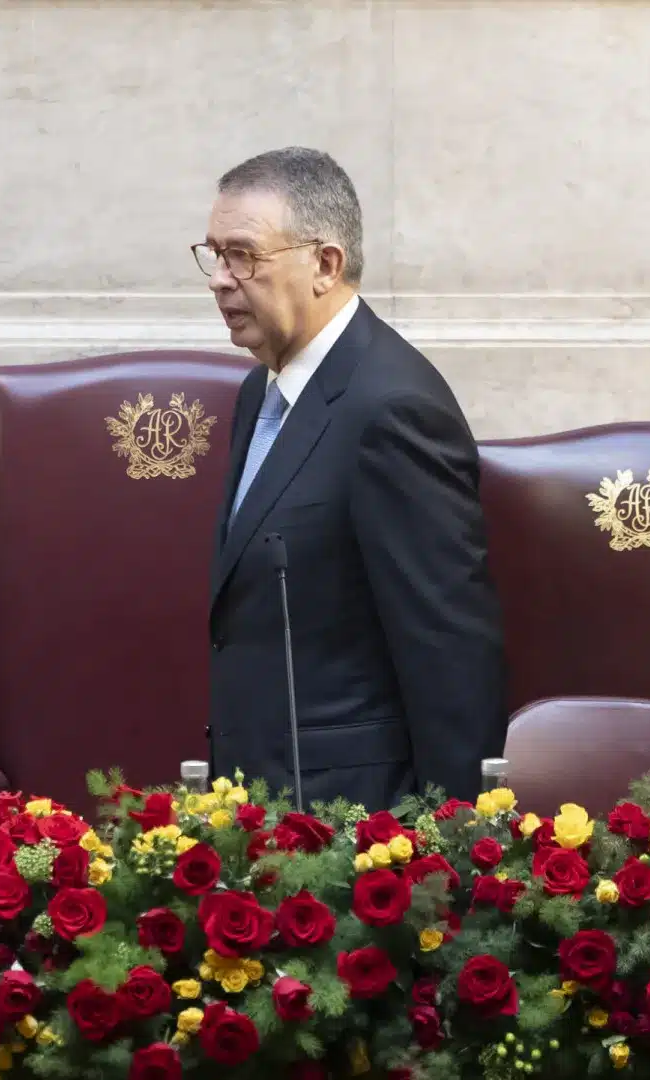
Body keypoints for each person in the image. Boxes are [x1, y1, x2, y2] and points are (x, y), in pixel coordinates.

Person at [202, 147, 505, 813]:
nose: (221, 280)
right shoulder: (260, 391)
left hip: (359, 826)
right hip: (267, 805)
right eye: (214, 255)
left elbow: (450, 653)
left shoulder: (393, 409)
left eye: (244, 256)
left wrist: (451, 846)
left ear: (325, 265)